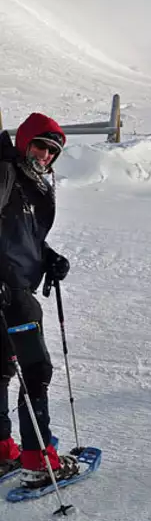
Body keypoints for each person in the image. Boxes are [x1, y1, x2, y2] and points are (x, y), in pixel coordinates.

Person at [0, 113, 79, 487]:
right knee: (36, 370)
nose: (46, 155)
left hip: (13, 286)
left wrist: (47, 257)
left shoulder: (25, 183)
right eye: (41, 146)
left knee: (1, 368)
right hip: (9, 290)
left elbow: (19, 236)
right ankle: (37, 459)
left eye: (52, 151)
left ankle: (3, 451)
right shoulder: (6, 174)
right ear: (24, 142)